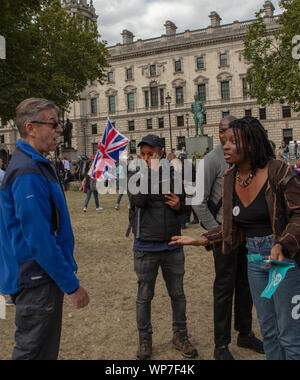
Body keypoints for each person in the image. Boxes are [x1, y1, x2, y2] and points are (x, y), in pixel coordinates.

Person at [170, 116, 300, 360]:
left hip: (282, 263)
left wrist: (283, 244)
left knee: (290, 336)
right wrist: (202, 239)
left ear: (250, 144)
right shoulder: (230, 177)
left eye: (233, 141)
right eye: (224, 140)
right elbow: (234, 227)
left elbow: (298, 214)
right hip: (255, 263)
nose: (225, 145)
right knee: (270, 332)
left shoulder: (278, 169)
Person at [0, 98, 90, 360]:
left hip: (39, 278)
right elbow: (38, 239)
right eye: (53, 124)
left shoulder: (37, 164)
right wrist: (72, 285)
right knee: (33, 352)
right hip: (35, 279)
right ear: (31, 128)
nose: (59, 130)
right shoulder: (27, 169)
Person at [192, 115, 263, 360]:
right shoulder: (212, 160)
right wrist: (218, 234)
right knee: (224, 290)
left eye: (231, 132)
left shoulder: (245, 159)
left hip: (248, 236)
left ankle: (245, 333)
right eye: (222, 131)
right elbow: (198, 202)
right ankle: (221, 345)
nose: (225, 137)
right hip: (224, 236)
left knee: (247, 286)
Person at [127, 134, 198, 360]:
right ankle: (145, 338)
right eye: (144, 154)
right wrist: (150, 172)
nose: (147, 158)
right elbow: (138, 201)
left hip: (172, 244)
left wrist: (180, 205)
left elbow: (188, 207)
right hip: (146, 244)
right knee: (144, 295)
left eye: (152, 153)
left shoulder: (175, 174)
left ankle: (180, 334)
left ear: (161, 152)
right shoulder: (134, 174)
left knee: (177, 293)